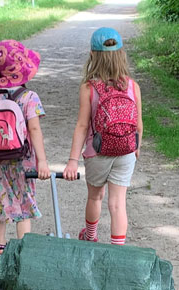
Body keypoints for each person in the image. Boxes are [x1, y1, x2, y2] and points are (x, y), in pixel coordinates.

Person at [62, 27, 142, 246]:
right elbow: (138, 125)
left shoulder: (89, 88)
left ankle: (90, 236)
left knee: (95, 196)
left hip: (97, 152)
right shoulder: (133, 86)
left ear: (92, 56)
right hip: (126, 150)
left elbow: (81, 125)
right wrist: (136, 148)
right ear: (121, 55)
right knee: (118, 204)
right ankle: (117, 250)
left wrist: (73, 160)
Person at [0, 40, 50, 257]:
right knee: (23, 204)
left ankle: (0, 245)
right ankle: (22, 249)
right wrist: (42, 161)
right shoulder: (29, 97)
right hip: (23, 162)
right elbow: (34, 130)